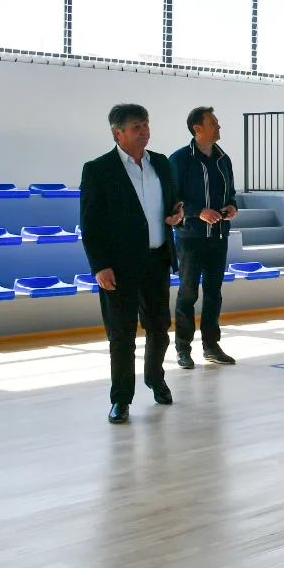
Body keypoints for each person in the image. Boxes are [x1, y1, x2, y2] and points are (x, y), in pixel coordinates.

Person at [80, 104, 184, 424]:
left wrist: (177, 215)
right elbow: (90, 224)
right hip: (119, 267)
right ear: (118, 133)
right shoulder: (98, 169)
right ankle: (121, 399)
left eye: (146, 124)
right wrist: (99, 266)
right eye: (137, 126)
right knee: (122, 335)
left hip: (157, 259)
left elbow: (172, 203)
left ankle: (155, 379)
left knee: (159, 328)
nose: (144, 131)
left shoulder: (161, 163)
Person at [169, 107, 239, 369]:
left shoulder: (224, 159)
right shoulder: (179, 159)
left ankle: (211, 346)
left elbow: (231, 194)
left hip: (218, 237)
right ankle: (183, 349)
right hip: (190, 237)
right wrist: (198, 212)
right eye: (213, 123)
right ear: (197, 128)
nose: (218, 127)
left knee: (213, 294)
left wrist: (232, 207)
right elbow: (171, 198)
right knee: (188, 293)